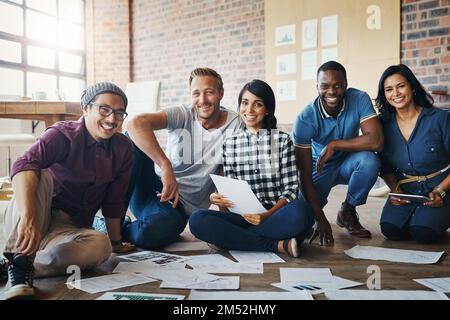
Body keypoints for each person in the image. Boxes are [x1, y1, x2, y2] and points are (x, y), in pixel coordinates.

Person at [1, 82, 135, 300]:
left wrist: (116, 243)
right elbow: (22, 164)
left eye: (119, 113)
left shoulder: (123, 148)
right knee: (36, 171)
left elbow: (114, 200)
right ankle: (19, 267)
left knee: (102, 246)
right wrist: (28, 218)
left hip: (67, 228)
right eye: (104, 110)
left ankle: (15, 263)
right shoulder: (62, 134)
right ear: (86, 109)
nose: (111, 119)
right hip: (33, 214)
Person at [189, 80, 314, 257]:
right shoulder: (230, 144)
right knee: (197, 220)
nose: (249, 110)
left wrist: (266, 215)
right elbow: (230, 190)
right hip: (243, 217)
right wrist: (217, 198)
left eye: (258, 104)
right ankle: (275, 245)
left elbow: (291, 190)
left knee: (302, 213)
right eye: (245, 103)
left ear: (268, 109)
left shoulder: (282, 141)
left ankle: (234, 240)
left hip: (276, 216)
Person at [124, 67, 242, 249]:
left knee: (150, 233)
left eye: (209, 92)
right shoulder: (183, 113)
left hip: (176, 206)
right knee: (128, 138)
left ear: (221, 93)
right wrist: (166, 167)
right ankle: (114, 224)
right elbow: (135, 123)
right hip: (151, 185)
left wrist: (224, 220)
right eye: (196, 94)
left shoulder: (234, 124)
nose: (202, 100)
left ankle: (120, 229)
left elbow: (224, 172)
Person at [293, 61, 384, 245]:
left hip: (348, 160)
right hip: (319, 166)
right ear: (317, 87)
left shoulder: (359, 99)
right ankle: (315, 216)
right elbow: (304, 174)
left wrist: (334, 145)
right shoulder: (305, 118)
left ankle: (347, 212)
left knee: (369, 161)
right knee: (303, 221)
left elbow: (376, 141)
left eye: (338, 85)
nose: (332, 91)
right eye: (324, 86)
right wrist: (320, 217)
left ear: (346, 84)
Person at [375, 64, 450, 244]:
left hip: (440, 187)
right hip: (406, 190)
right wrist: (395, 190)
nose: (396, 93)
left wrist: (441, 191)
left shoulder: (440, 119)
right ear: (384, 95)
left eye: (401, 86)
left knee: (423, 233)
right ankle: (420, 217)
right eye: (389, 89)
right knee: (390, 229)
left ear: (412, 88)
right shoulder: (383, 125)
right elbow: (385, 166)